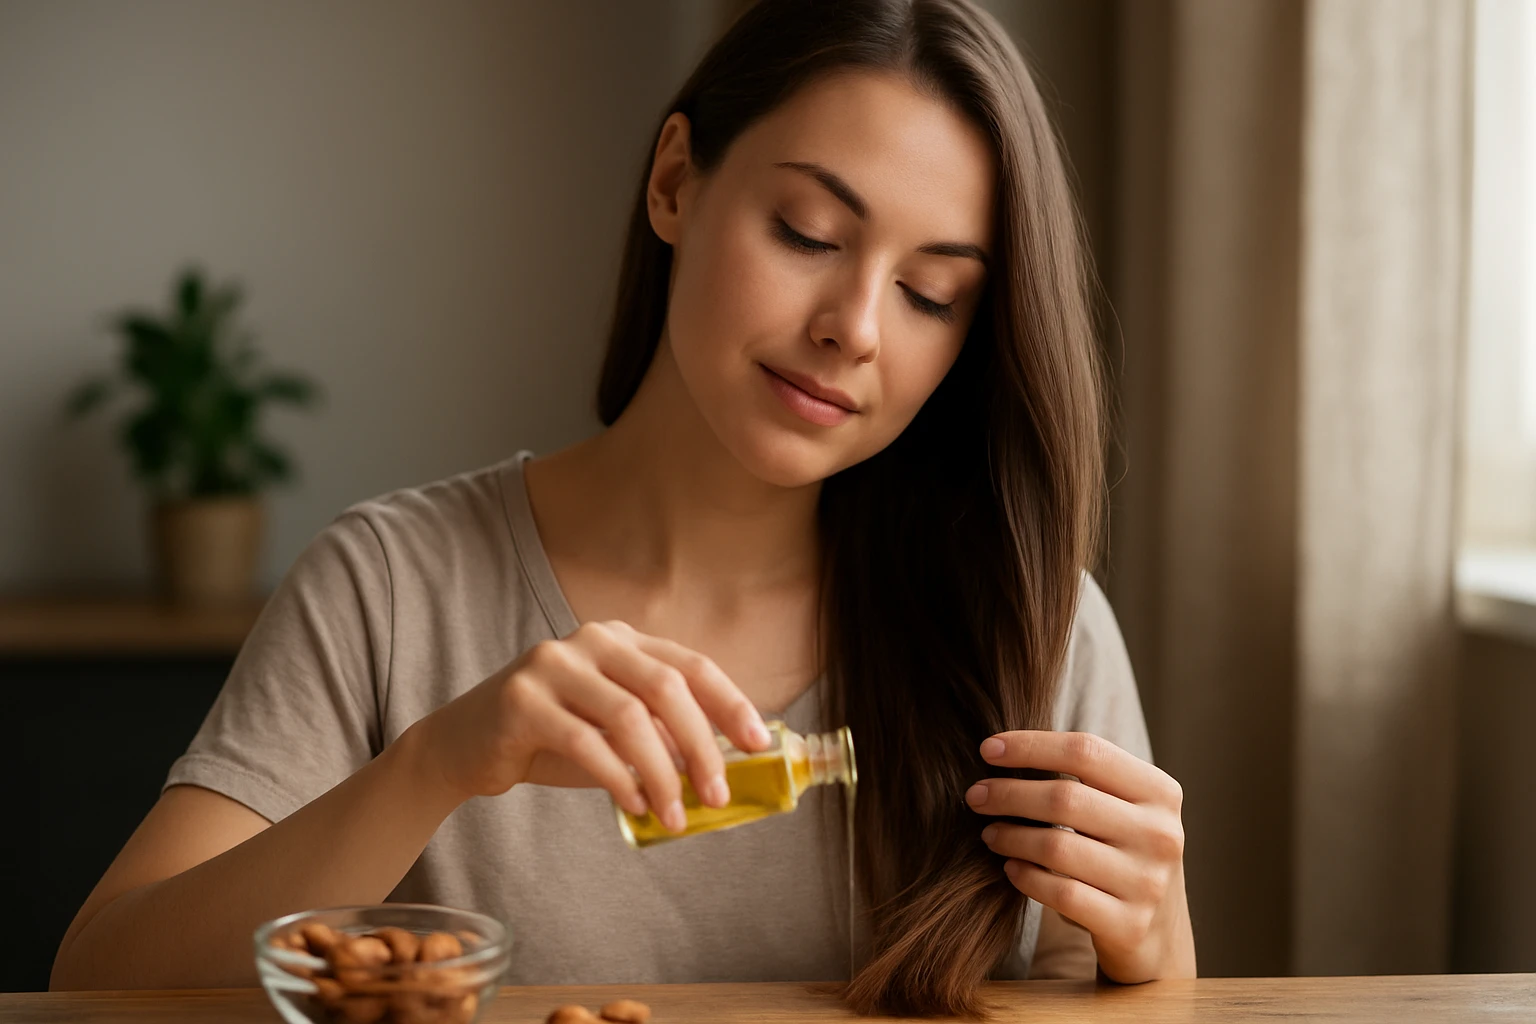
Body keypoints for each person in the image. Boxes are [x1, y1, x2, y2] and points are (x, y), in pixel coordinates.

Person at [51, 0, 1194, 1012]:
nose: (855, 326)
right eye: (808, 233)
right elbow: (100, 983)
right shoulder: (390, 586)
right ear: (675, 182)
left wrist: (1156, 938)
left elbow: (1120, 1002)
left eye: (930, 293)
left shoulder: (1029, 622)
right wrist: (438, 763)